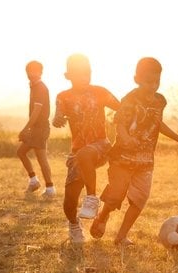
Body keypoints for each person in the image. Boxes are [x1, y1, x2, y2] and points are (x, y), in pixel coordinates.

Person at [90, 57, 178, 246]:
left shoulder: (159, 102)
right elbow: (120, 123)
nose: (153, 86)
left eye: (157, 81)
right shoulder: (130, 100)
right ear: (136, 78)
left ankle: (121, 236)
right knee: (116, 195)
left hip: (145, 161)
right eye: (149, 81)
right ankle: (103, 215)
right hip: (122, 157)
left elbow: (158, 124)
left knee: (139, 199)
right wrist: (126, 137)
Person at [52, 54, 120, 244]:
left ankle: (92, 198)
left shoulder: (100, 92)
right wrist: (57, 120)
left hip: (101, 145)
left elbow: (122, 107)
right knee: (69, 202)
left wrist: (122, 119)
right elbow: (57, 115)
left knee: (86, 153)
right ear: (68, 75)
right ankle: (74, 224)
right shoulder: (63, 97)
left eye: (87, 73)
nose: (84, 77)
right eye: (79, 73)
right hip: (78, 150)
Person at [17, 60, 56, 198]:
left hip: (40, 128)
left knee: (41, 158)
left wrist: (25, 129)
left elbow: (37, 111)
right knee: (21, 152)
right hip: (35, 128)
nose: (31, 74)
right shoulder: (34, 86)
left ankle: (50, 188)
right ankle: (34, 181)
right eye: (29, 71)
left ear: (40, 72)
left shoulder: (40, 88)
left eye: (35, 71)